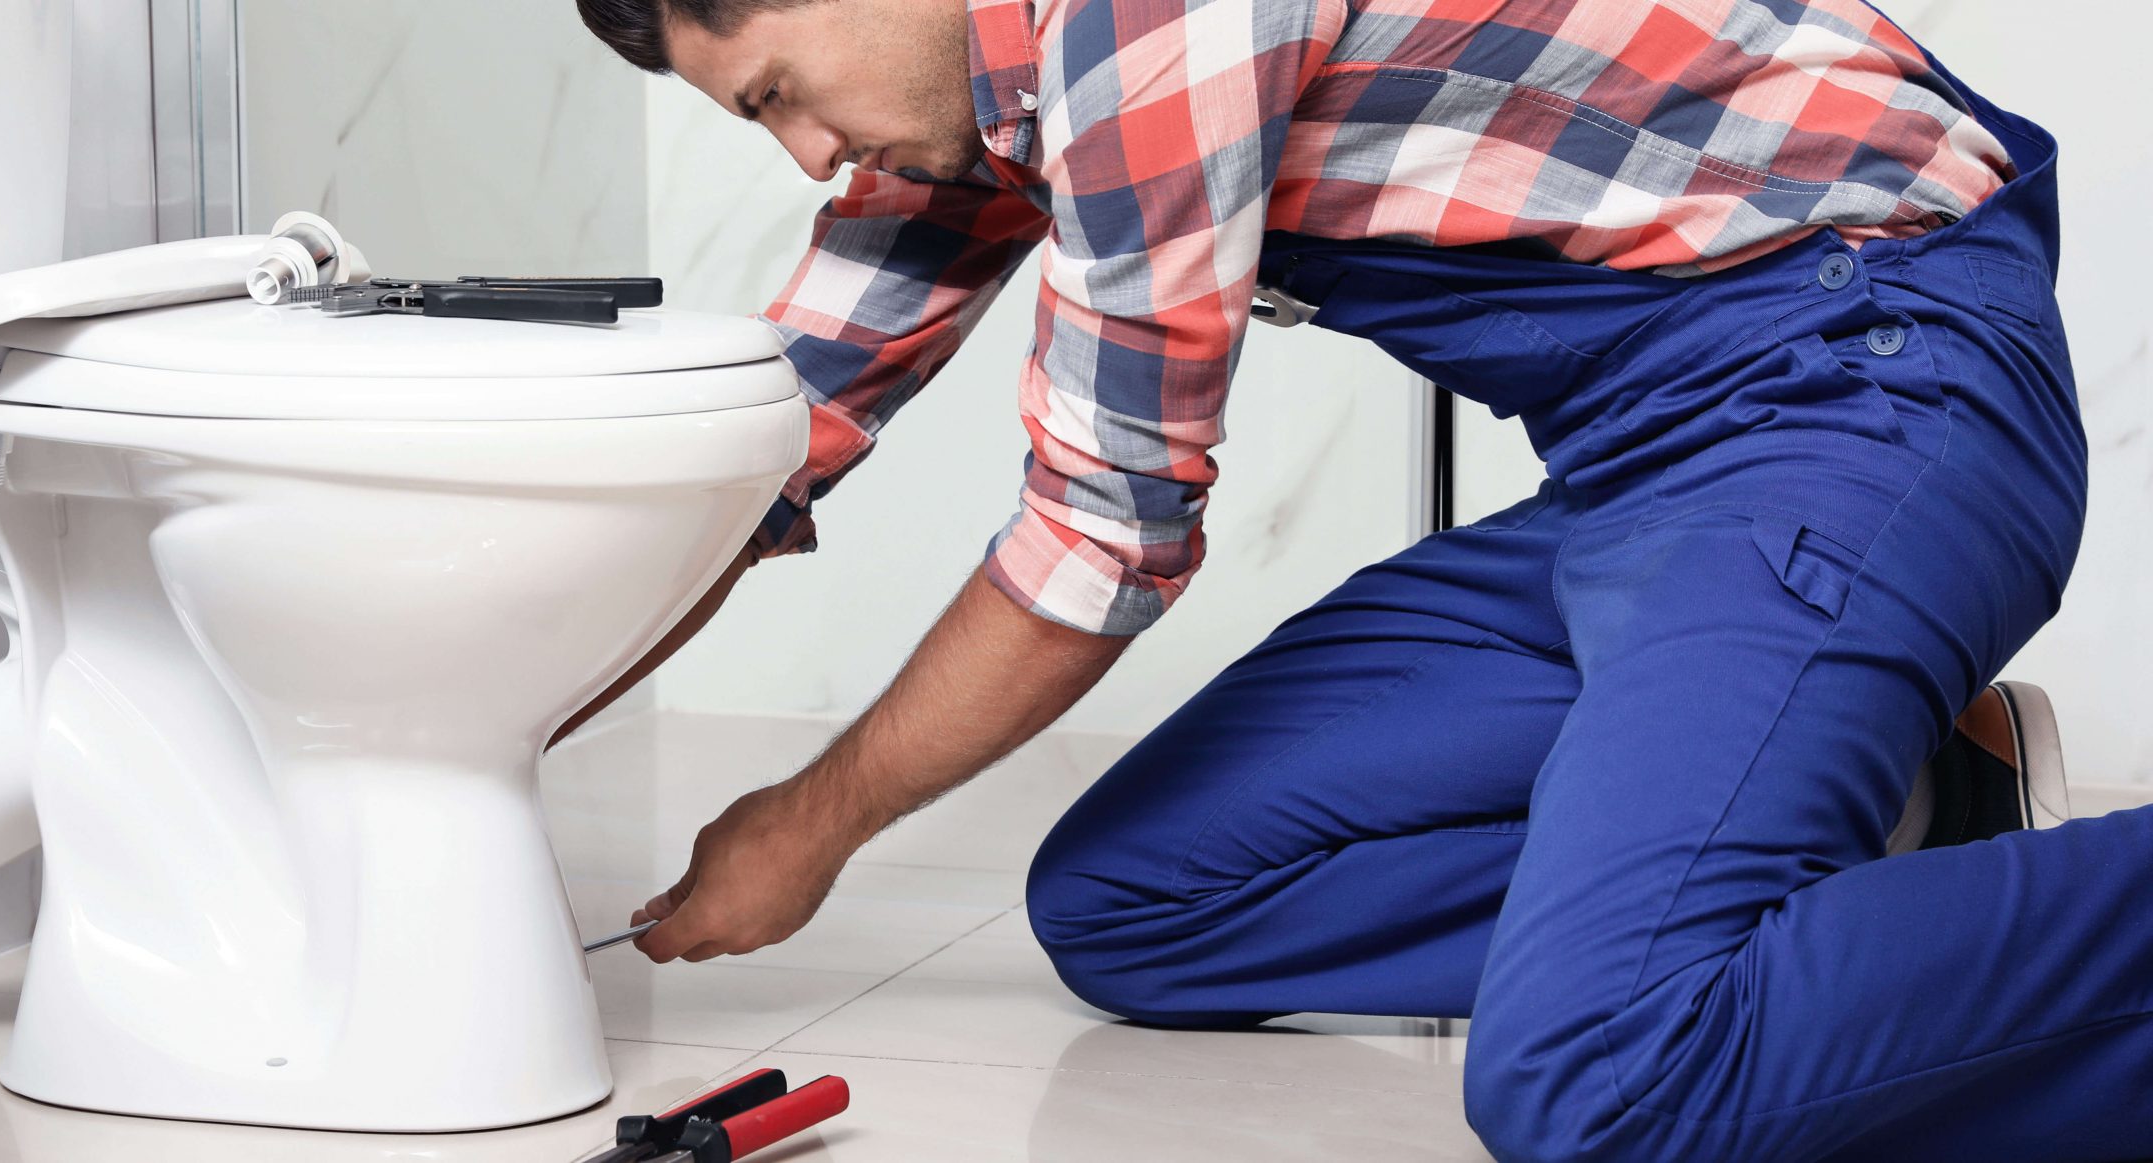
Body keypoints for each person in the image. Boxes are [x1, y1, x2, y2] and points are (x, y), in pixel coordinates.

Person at [562, 1, 2136, 1158]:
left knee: (1599, 1078)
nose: (809, 152)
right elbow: (760, 457)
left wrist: (805, 827)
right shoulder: (988, 105)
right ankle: (1924, 802)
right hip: (1640, 479)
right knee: (1133, 904)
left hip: (1863, 395)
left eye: (778, 91)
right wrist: (486, 733)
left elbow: (1103, 535)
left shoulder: (1133, 26)